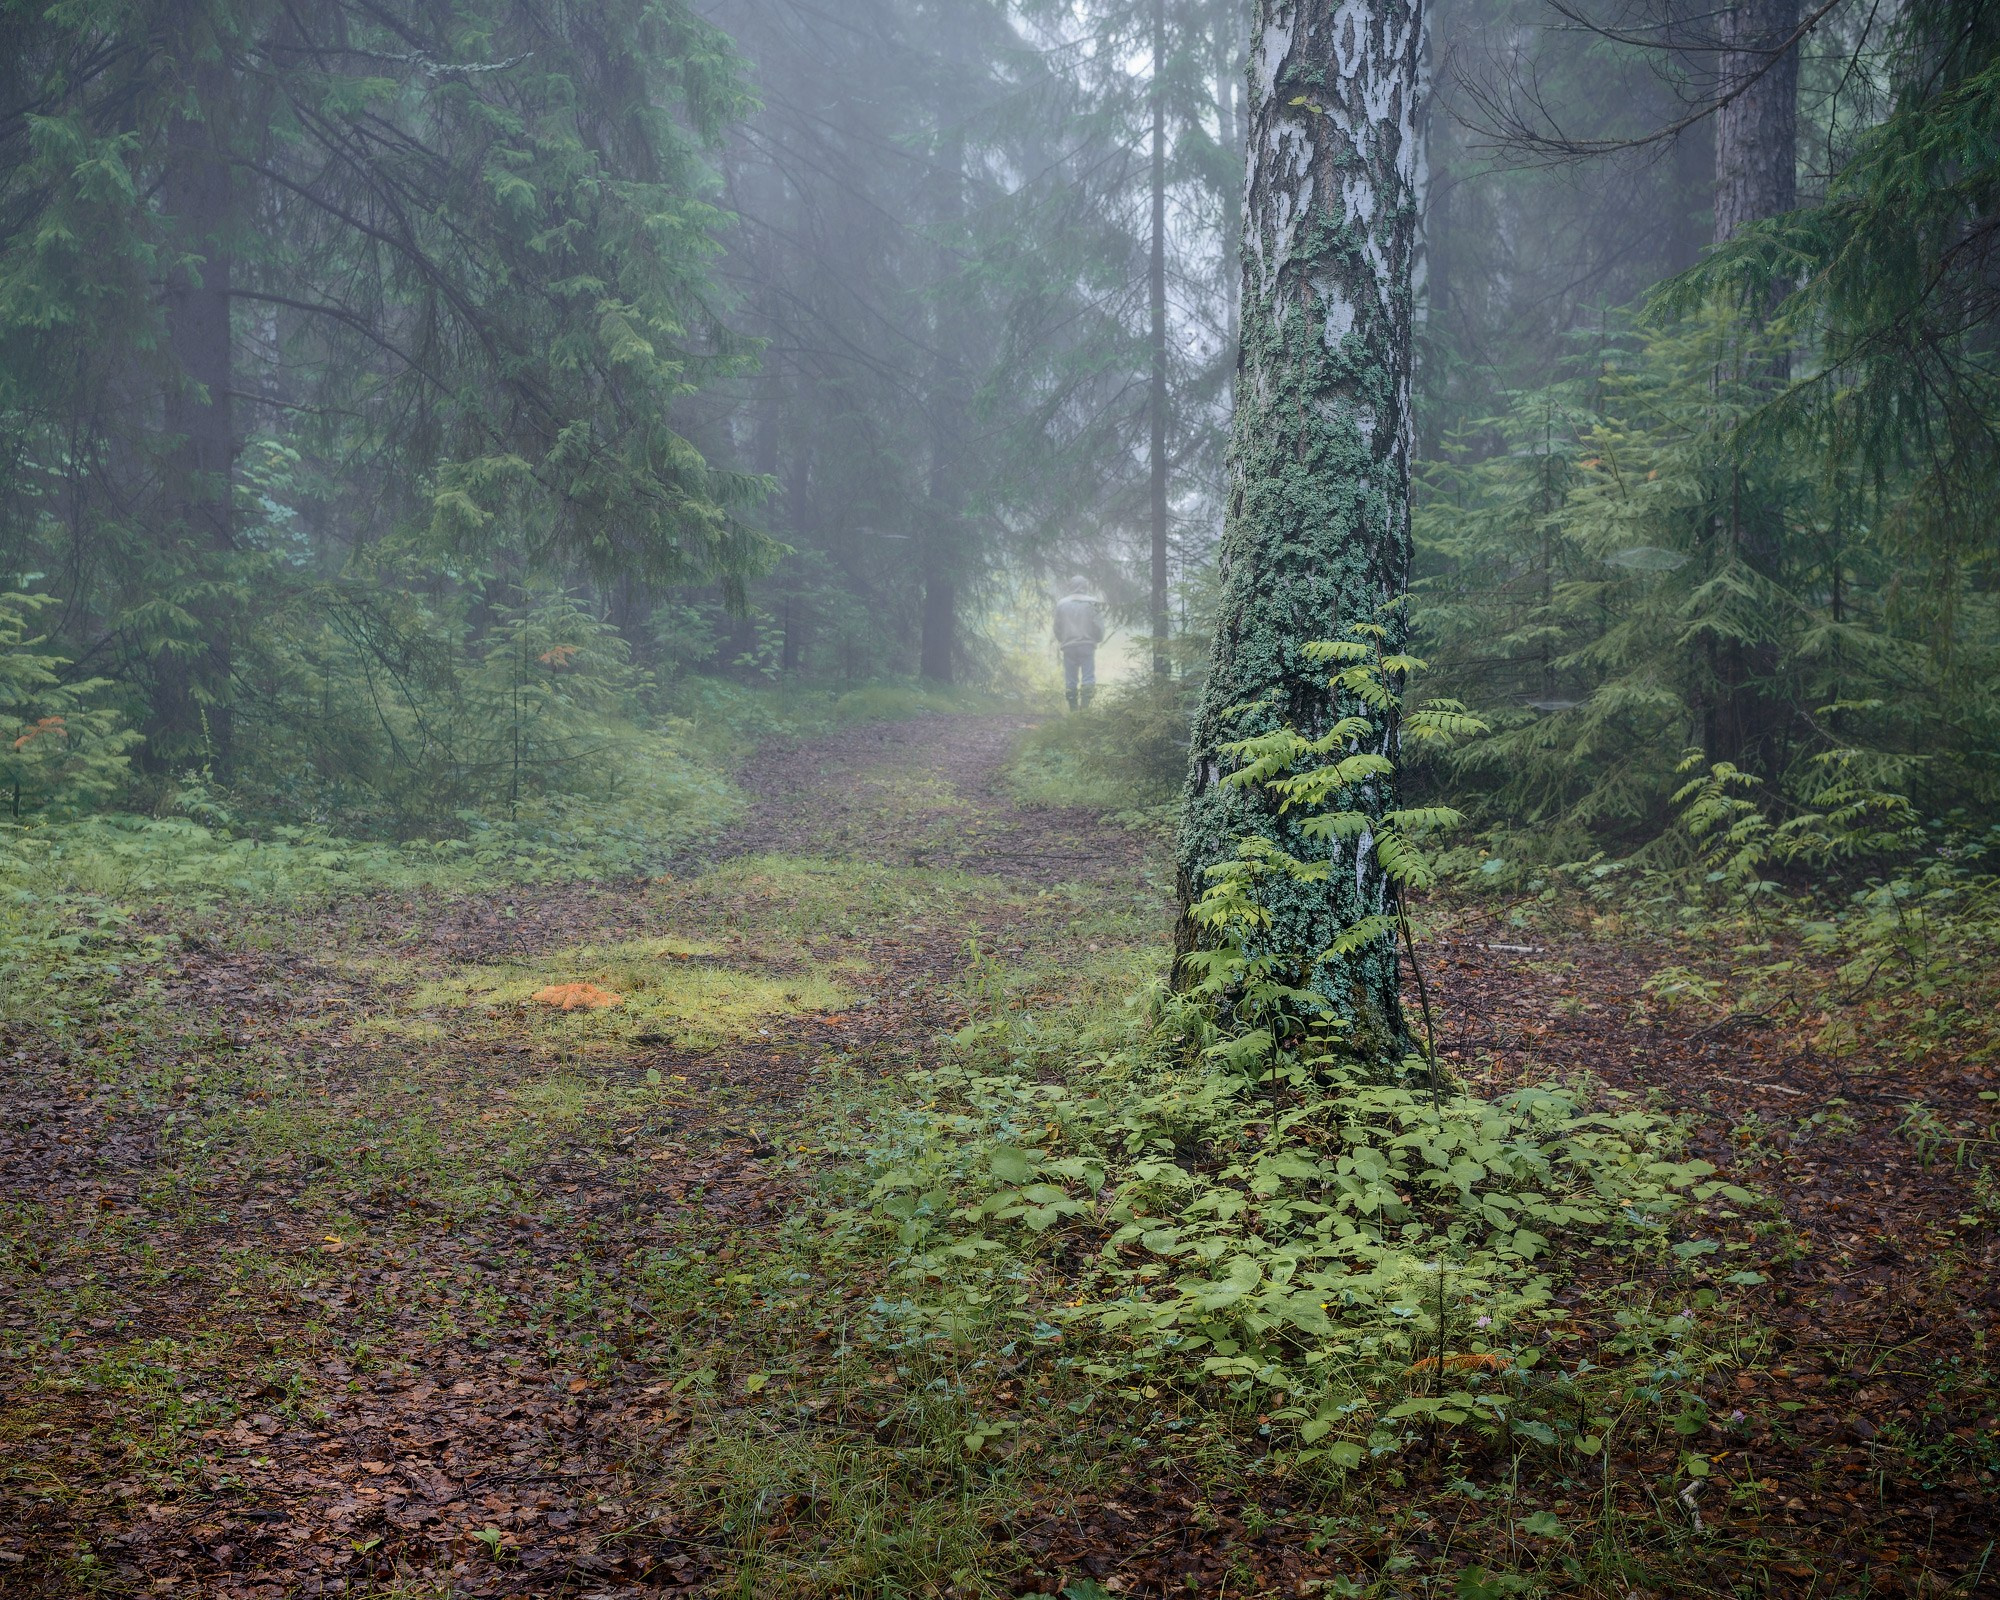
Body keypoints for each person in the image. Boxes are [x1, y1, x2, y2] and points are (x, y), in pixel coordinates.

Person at [1052, 576, 1104, 710]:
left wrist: (1062, 639)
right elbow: (1098, 625)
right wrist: (1097, 638)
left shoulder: (1062, 604)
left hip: (1068, 646)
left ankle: (1073, 711)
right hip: (1087, 645)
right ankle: (1085, 710)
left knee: (1070, 681)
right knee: (1088, 678)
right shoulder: (1092, 603)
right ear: (1085, 586)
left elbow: (1057, 627)